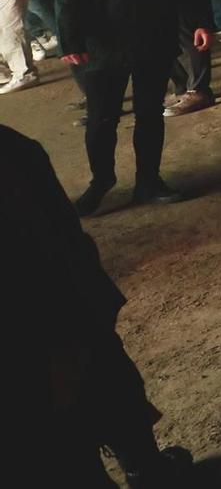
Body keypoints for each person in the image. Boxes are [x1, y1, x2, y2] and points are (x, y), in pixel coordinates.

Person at [2, 123, 196, 485]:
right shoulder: (12, 155)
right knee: (84, 409)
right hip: (46, 335)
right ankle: (146, 469)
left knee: (98, 388)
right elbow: (64, 256)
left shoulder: (13, 155)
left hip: (47, 327)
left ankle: (145, 468)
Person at [56, 0, 216, 211]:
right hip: (103, 44)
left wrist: (202, 21)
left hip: (153, 38)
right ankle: (102, 181)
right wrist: (70, 40)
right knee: (102, 117)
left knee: (149, 114)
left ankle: (148, 181)